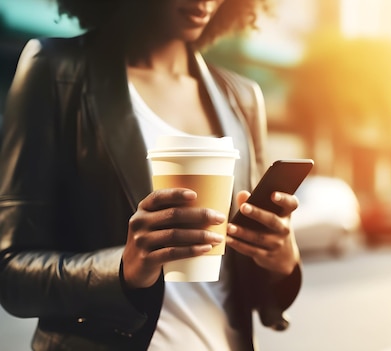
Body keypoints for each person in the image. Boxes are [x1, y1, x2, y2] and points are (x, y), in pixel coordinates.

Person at [0, 0, 302, 350]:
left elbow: (246, 288)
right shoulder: (57, 71)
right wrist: (123, 268)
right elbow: (12, 273)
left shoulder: (242, 97)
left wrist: (282, 259)